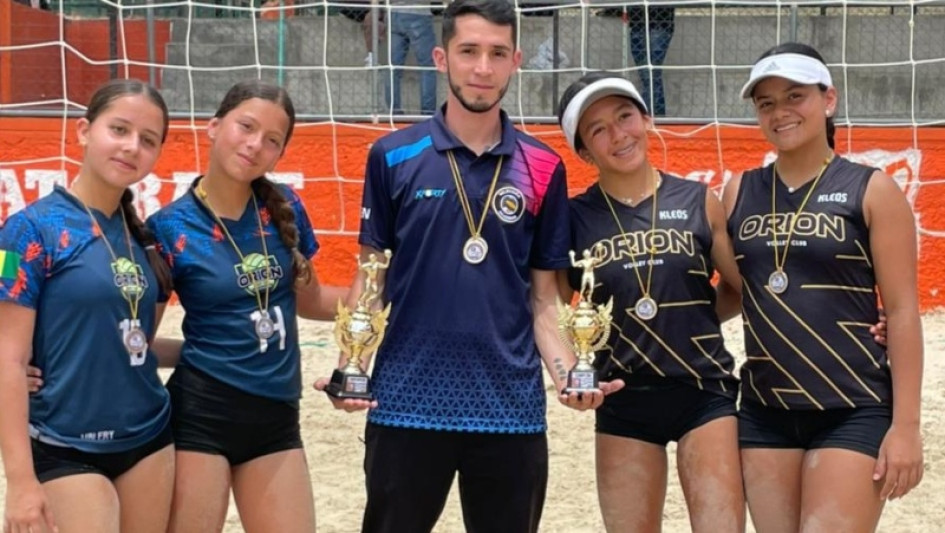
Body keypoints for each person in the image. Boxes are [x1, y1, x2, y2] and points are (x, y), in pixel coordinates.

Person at [314, 0, 579, 531]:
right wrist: (353, 367)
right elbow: (371, 275)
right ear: (441, 58)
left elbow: (545, 297)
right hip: (404, 399)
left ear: (515, 61)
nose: (483, 68)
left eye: (497, 53)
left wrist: (571, 374)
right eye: (469, 51)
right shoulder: (392, 155)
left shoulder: (543, 166)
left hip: (509, 407)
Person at [724, 42, 924, 532]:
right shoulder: (737, 191)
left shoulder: (871, 188)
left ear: (828, 99)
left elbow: (900, 312)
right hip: (764, 409)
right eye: (766, 103)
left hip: (851, 405)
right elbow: (735, 291)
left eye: (795, 96)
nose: (780, 112)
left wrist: (907, 428)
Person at [146, 80, 345, 533]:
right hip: (200, 414)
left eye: (273, 140)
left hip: (276, 416)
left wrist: (385, 298)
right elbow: (140, 341)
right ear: (214, 126)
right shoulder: (168, 228)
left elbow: (312, 301)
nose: (256, 145)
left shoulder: (285, 207)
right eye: (246, 127)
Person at [556, 72, 745, 532]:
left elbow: (741, 288)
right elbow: (554, 309)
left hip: (704, 391)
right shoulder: (573, 218)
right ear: (584, 151)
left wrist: (688, 321)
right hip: (623, 398)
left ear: (647, 118)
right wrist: (569, 372)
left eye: (625, 117)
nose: (619, 135)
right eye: (598, 129)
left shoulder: (700, 200)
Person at [0, 79, 174, 533]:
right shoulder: (25, 231)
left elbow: (135, 342)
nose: (131, 147)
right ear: (83, 130)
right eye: (119, 129)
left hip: (150, 439)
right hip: (63, 443)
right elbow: (8, 358)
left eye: (148, 140)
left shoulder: (147, 238)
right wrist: (19, 482)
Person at [599, 6, 675, 116]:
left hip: (659, 23)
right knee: (647, 73)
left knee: (650, 72)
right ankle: (653, 113)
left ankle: (649, 113)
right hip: (637, 23)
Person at [384, 0, 437, 114]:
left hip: (393, 12)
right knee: (427, 68)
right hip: (418, 12)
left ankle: (394, 112)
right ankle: (427, 113)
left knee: (393, 68)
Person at [339, 0, 386, 67]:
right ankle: (371, 57)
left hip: (377, 8)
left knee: (375, 20)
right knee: (372, 19)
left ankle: (372, 57)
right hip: (355, 7)